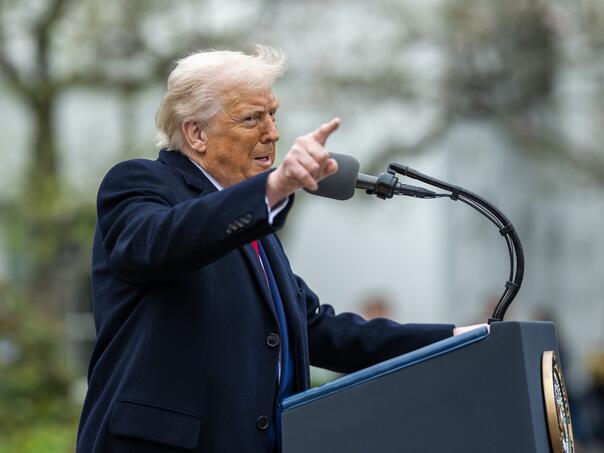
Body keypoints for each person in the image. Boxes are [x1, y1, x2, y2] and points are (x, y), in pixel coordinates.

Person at [76, 45, 485, 453]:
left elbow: (318, 329)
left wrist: (452, 339)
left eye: (273, 115)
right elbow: (162, 242)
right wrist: (271, 190)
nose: (272, 133)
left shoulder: (259, 226)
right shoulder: (139, 183)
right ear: (196, 134)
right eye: (252, 118)